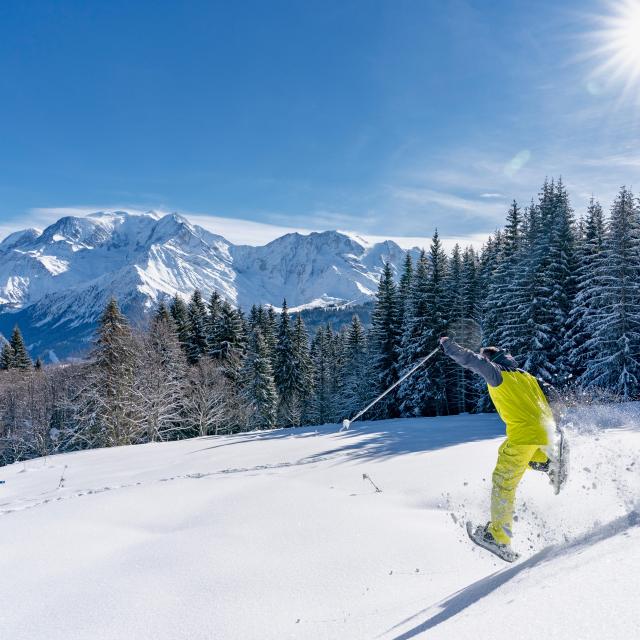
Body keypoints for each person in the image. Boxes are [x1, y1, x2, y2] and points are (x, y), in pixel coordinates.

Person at [439, 336, 565, 554]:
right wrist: (556, 424)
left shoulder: (497, 374)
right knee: (507, 453)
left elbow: (471, 360)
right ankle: (546, 462)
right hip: (544, 434)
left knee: (503, 483)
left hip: (523, 436)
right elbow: (553, 394)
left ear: (492, 358)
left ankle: (498, 537)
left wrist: (448, 346)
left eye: (485, 357)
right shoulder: (527, 377)